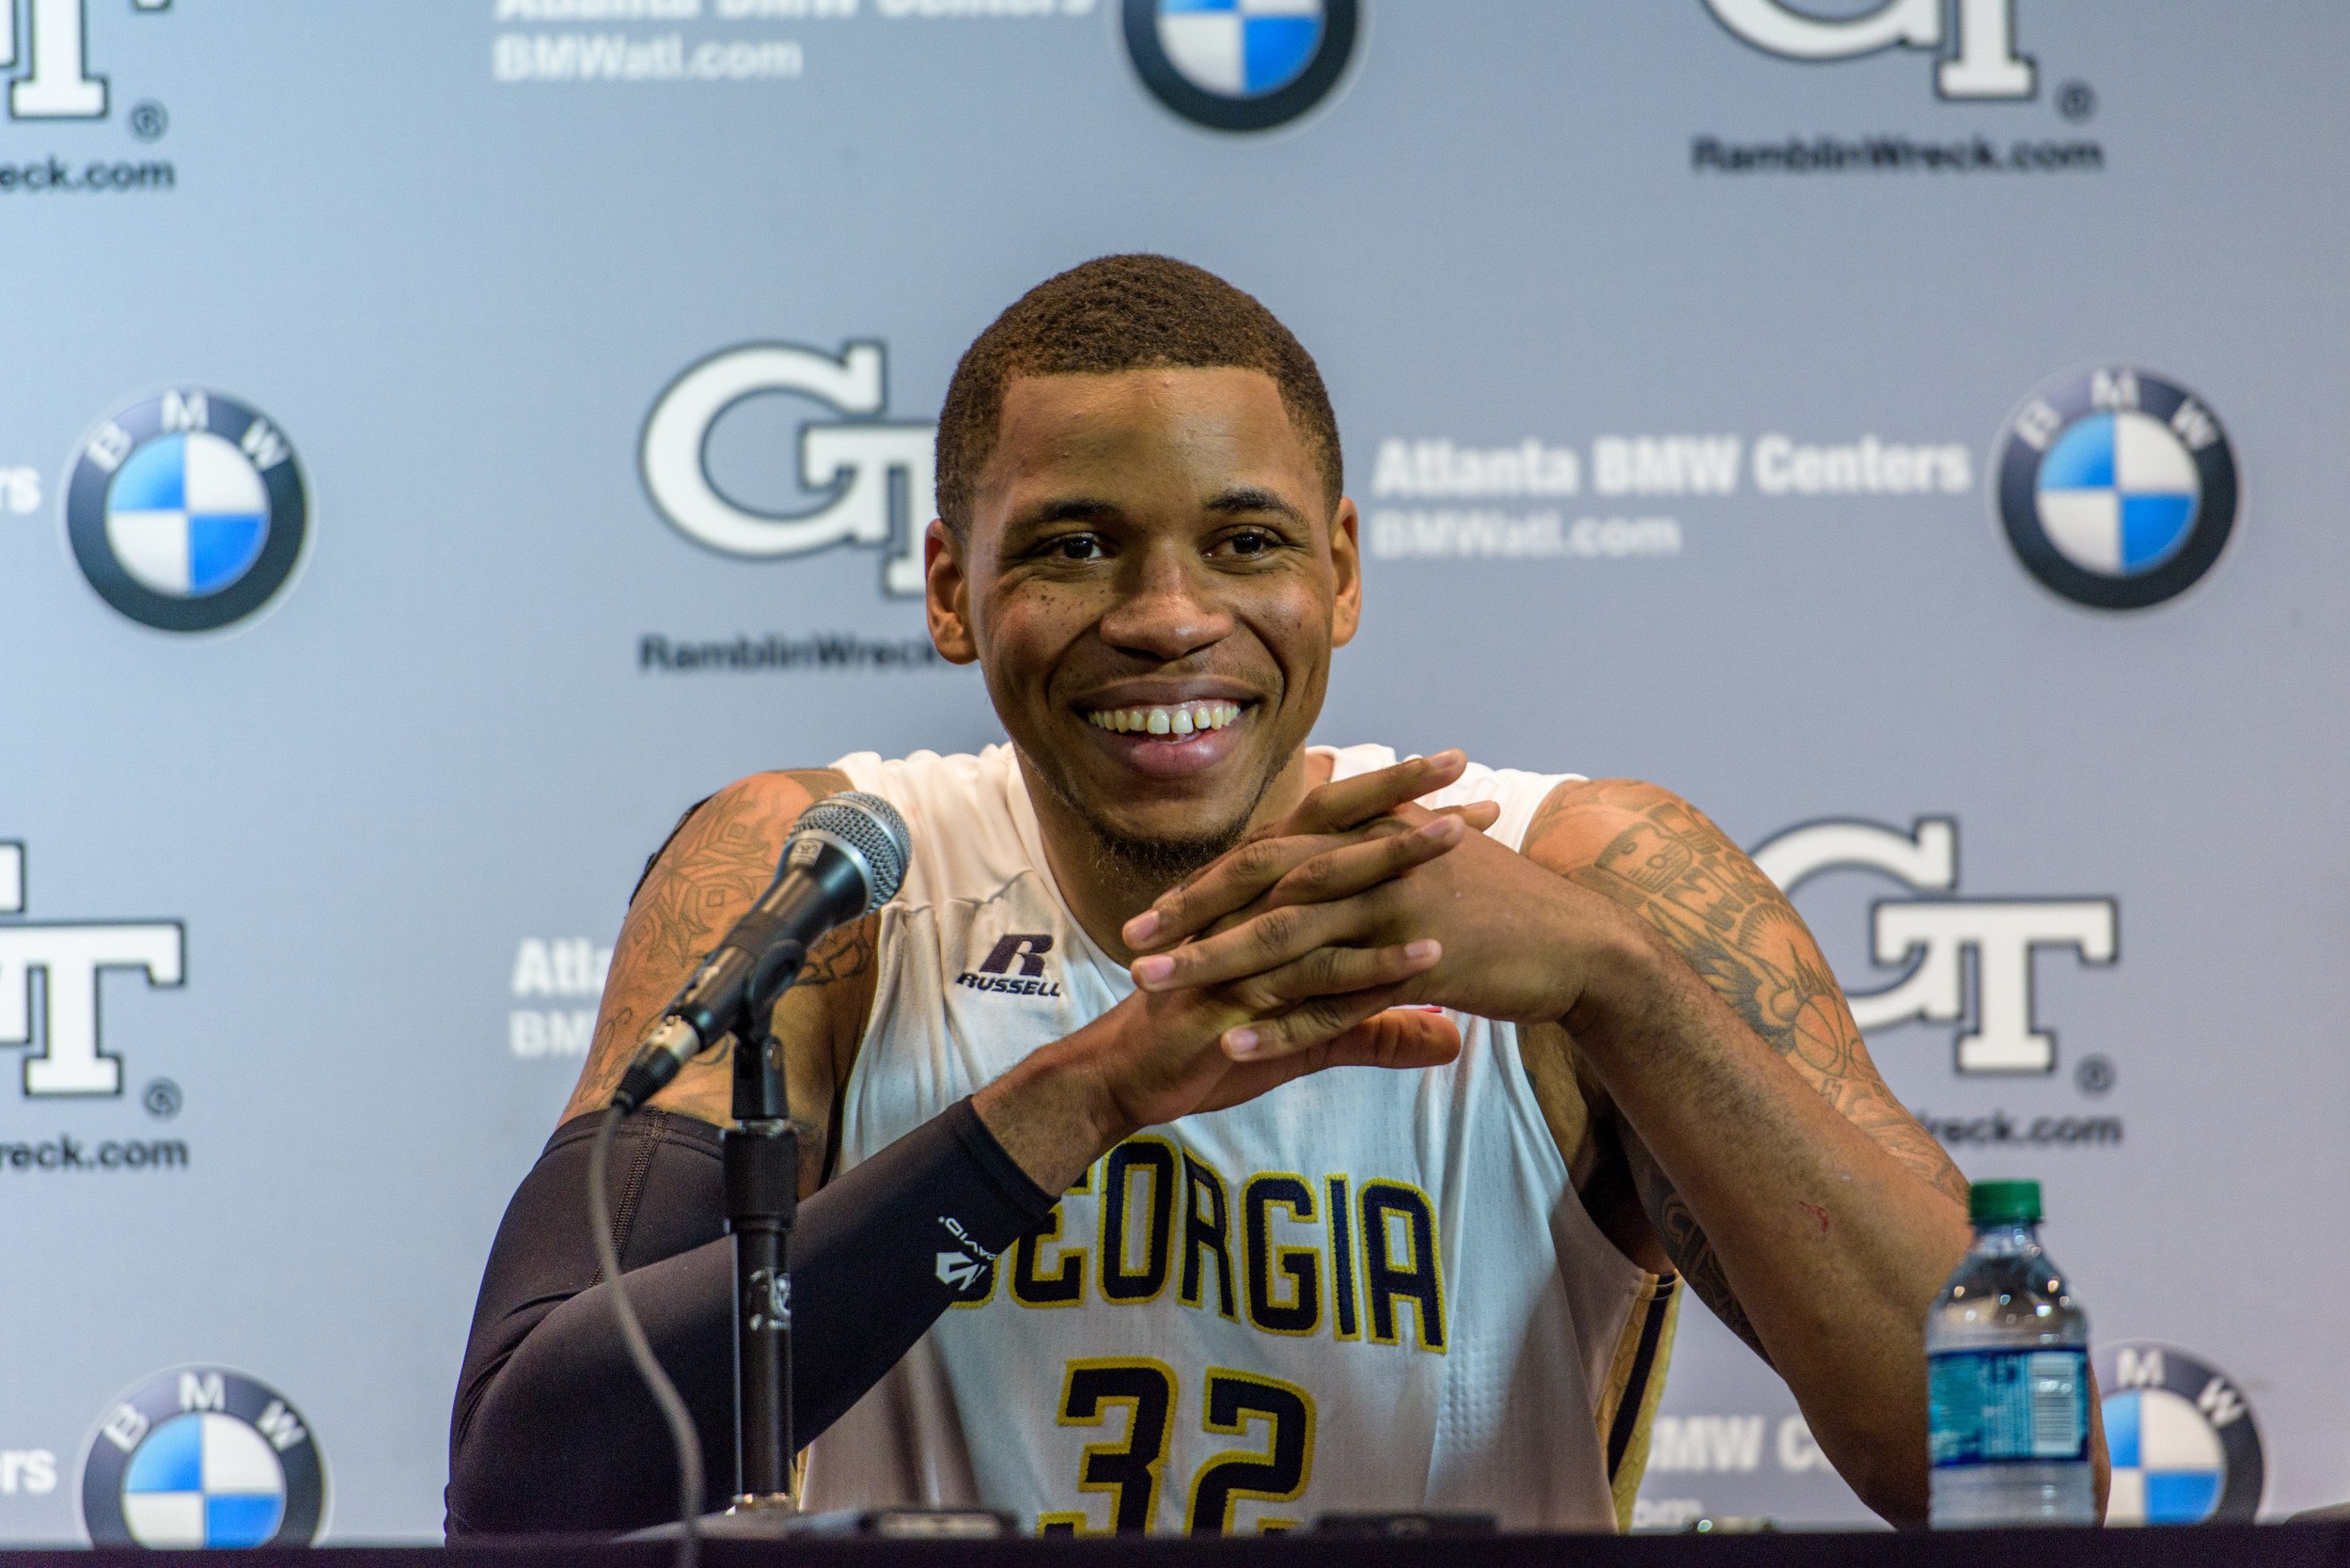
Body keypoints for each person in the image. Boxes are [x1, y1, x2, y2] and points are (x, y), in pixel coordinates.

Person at [447, 255, 2104, 1537]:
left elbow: (2003, 1469)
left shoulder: (1591, 876)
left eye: (1245, 542)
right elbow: (529, 1473)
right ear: (953, 588)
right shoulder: (833, 879)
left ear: (1344, 569)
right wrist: (1088, 1093)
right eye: (1076, 546)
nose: (1170, 618)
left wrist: (1620, 981)